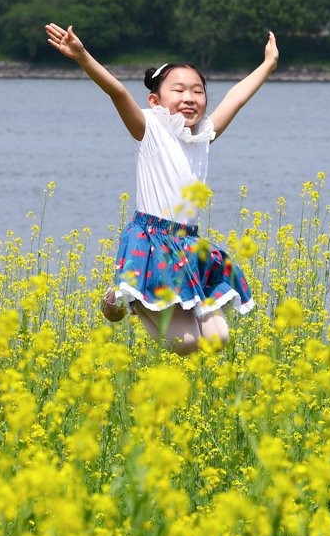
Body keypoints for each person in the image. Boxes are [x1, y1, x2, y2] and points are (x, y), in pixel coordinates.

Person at [45, 22, 279, 355]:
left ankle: (133, 295)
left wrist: (268, 64)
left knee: (218, 340)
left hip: (189, 244)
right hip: (152, 243)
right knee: (185, 344)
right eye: (179, 90)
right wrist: (83, 58)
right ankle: (128, 298)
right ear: (155, 100)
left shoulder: (203, 136)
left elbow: (236, 99)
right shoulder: (150, 129)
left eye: (198, 91)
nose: (190, 97)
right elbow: (117, 91)